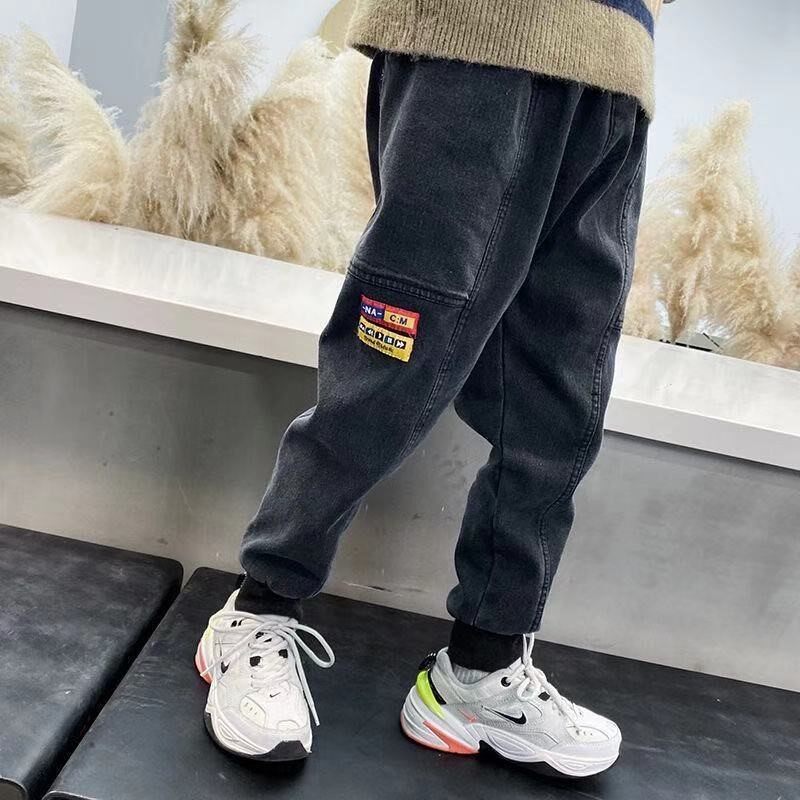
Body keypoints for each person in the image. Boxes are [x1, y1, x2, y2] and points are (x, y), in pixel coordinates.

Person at [195, 0, 663, 776]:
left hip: (615, 69)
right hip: (479, 42)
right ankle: (257, 610)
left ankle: (480, 668)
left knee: (560, 398)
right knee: (391, 362)